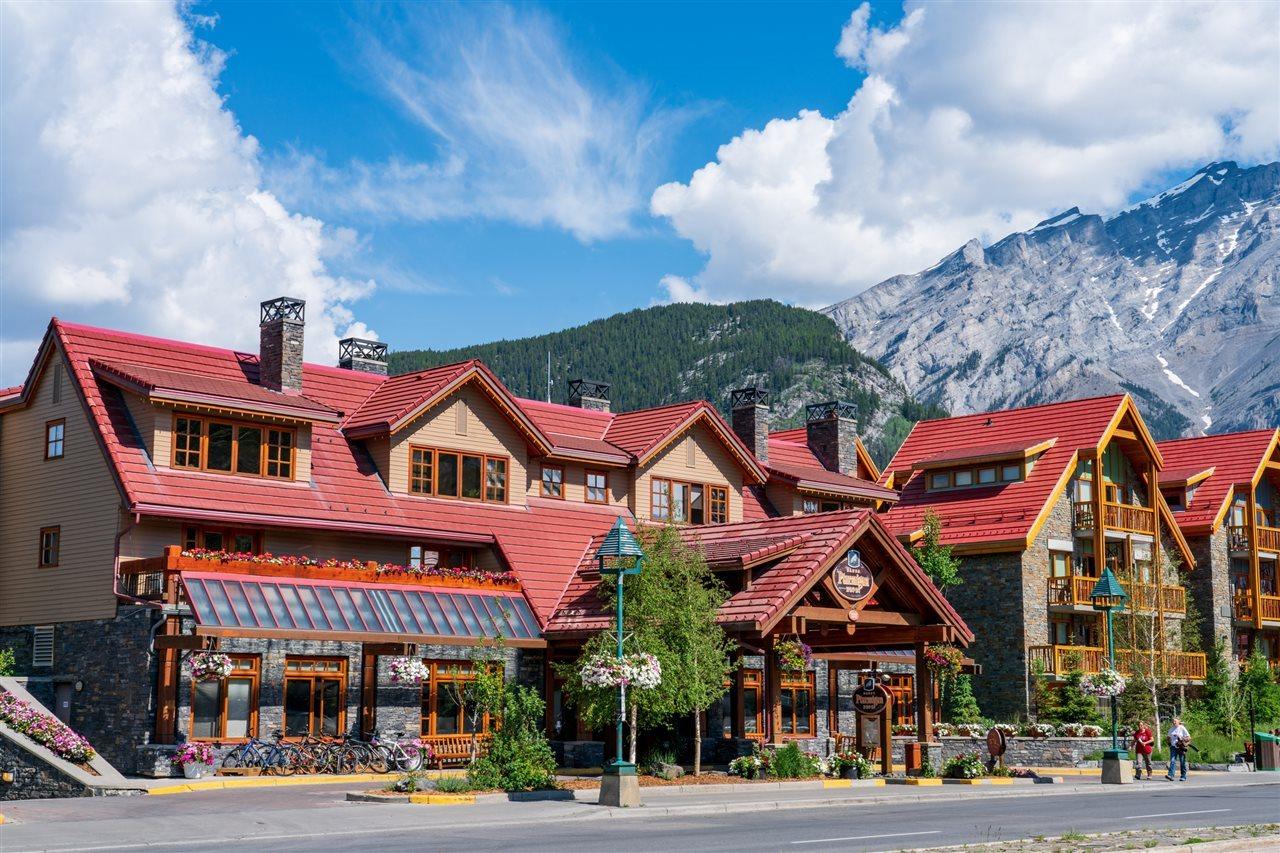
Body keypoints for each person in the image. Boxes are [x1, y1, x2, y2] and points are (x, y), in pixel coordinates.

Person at [1166, 717, 1191, 781]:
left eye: (1175, 721)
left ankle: (1183, 776)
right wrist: (1169, 744)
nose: (1174, 722)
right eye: (1173, 721)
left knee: (1182, 762)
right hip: (1173, 747)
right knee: (1172, 761)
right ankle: (1170, 775)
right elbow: (1168, 737)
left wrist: (1182, 739)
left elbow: (1189, 737)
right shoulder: (1171, 729)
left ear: (1179, 721)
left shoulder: (1182, 728)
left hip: (1181, 747)